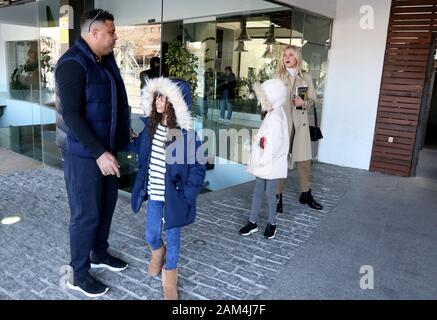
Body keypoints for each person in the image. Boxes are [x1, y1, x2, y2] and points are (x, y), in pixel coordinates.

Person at [55, 9, 132, 298]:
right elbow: (72, 115)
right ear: (94, 33)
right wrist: (99, 152)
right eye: (111, 32)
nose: (115, 36)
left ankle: (99, 253)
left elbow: (115, 101)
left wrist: (124, 133)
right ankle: (79, 273)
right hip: (84, 154)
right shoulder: (72, 64)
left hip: (107, 151)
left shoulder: (104, 60)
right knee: (85, 214)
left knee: (106, 206)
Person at [131, 77, 206, 300]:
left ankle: (170, 277)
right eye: (158, 96)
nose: (158, 100)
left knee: (173, 239)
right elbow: (143, 153)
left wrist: (187, 196)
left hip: (175, 198)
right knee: (151, 234)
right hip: (154, 193)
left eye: (164, 97)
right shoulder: (150, 129)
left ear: (176, 103)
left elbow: (198, 168)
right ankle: (157, 253)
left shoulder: (188, 136)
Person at [274, 45, 323, 213]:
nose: (286, 57)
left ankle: (306, 193)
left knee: (304, 162)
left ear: (297, 58)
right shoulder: (278, 76)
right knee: (280, 161)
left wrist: (304, 103)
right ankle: (277, 196)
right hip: (282, 124)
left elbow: (314, 99)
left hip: (300, 124)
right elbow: (268, 100)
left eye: (290, 54)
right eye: (284, 55)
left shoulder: (306, 76)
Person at [239, 79, 289, 240]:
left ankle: (271, 223)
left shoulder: (275, 116)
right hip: (265, 161)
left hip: (269, 163)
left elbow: (274, 144)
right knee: (260, 191)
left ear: (272, 97)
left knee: (269, 193)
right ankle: (253, 222)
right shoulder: (274, 112)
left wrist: (262, 159)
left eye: (263, 98)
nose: (261, 101)